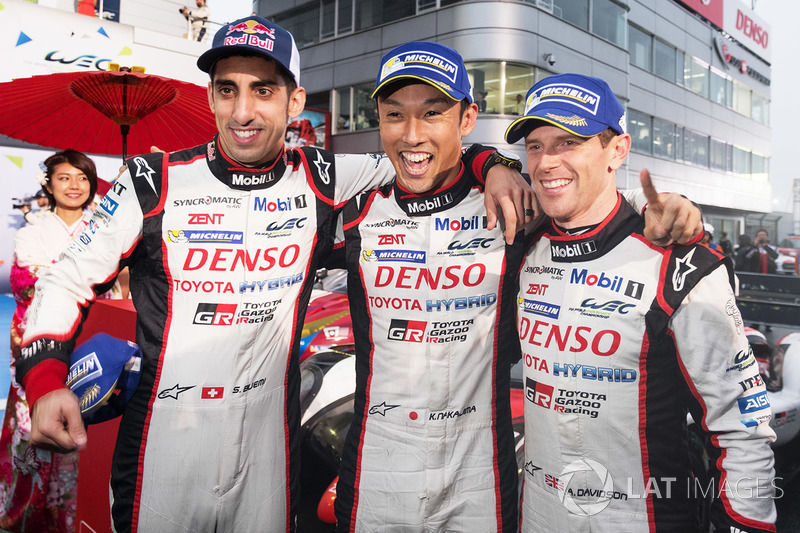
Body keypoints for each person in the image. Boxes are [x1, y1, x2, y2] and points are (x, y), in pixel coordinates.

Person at [16, 17, 529, 533]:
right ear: (211, 98)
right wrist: (44, 380)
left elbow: (425, 158)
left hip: (268, 453)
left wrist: (495, 163)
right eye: (227, 90)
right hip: (163, 445)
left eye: (263, 90)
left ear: (295, 101)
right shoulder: (152, 181)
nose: (243, 111)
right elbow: (64, 279)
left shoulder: (326, 180)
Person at [334, 44, 703, 532]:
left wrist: (662, 203)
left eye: (433, 113)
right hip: (376, 460)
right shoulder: (352, 210)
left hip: (480, 468)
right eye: (394, 115)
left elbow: (587, 205)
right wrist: (492, 162)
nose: (412, 133)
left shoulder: (515, 209)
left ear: (467, 118)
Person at [506, 73, 776, 532]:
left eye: (569, 142)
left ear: (618, 150)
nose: (547, 162)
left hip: (645, 516)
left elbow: (742, 426)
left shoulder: (681, 260)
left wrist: (747, 525)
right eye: (536, 145)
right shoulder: (522, 243)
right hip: (541, 514)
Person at [0, 149, 120, 532]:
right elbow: (28, 288)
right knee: (31, 433)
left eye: (83, 178)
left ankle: (78, 517)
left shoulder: (105, 228)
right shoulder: (33, 231)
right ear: (48, 184)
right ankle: (26, 517)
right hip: (43, 346)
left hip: (93, 346)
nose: (74, 185)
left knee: (88, 432)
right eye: (65, 177)